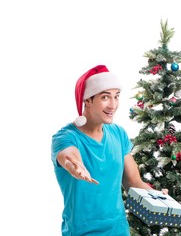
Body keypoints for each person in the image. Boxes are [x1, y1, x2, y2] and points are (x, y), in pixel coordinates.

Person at [51, 65, 167, 236]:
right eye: (105, 97)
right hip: (82, 232)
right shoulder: (66, 137)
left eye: (116, 97)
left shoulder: (118, 134)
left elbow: (133, 182)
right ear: (87, 100)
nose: (113, 105)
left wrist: (157, 197)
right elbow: (68, 155)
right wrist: (75, 165)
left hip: (119, 230)